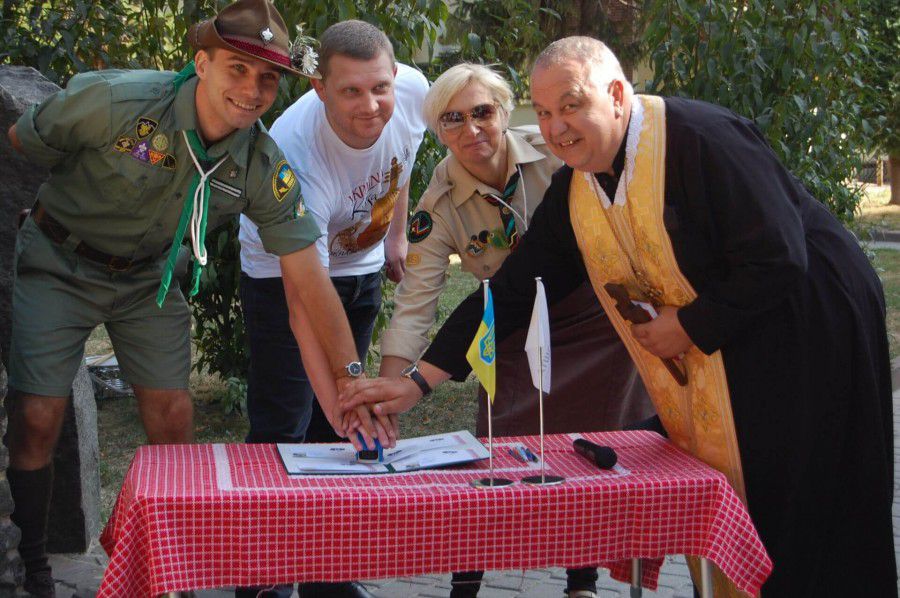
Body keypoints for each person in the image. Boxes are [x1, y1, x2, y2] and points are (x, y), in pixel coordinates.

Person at [341, 37, 897, 598]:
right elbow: (511, 292)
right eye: (548, 112)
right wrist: (418, 382)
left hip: (811, 321)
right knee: (748, 500)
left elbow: (779, 255)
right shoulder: (577, 184)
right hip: (733, 337)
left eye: (573, 106)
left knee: (811, 505)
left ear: (615, 94)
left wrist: (688, 327)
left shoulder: (702, 138)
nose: (558, 128)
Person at [4, 2, 383, 596]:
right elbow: (26, 140)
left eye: (267, 78)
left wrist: (349, 379)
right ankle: (33, 566)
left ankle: (167, 571)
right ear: (201, 64)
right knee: (35, 416)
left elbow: (308, 279)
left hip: (147, 282)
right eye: (237, 69)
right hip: (60, 263)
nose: (252, 90)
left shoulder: (259, 163)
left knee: (173, 417)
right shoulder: (116, 102)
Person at [378, 63, 652, 598]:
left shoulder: (557, 156)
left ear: (504, 111)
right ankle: (466, 582)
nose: (470, 130)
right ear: (437, 130)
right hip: (505, 325)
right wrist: (393, 389)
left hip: (593, 322)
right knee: (494, 459)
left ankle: (581, 580)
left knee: (588, 453)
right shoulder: (437, 204)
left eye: (482, 112)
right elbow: (415, 302)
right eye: (452, 119)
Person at [235, 19, 427, 598]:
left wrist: (396, 236)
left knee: (333, 438)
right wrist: (349, 390)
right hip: (281, 273)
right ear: (319, 88)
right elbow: (303, 306)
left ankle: (326, 574)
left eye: (379, 87)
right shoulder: (294, 154)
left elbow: (405, 160)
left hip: (360, 265)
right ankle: (261, 574)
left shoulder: (414, 90)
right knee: (283, 423)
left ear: (395, 75)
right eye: (350, 91)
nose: (370, 105)